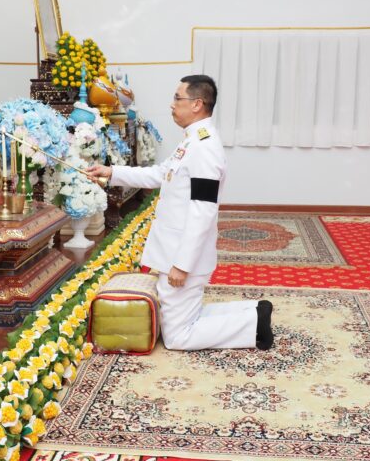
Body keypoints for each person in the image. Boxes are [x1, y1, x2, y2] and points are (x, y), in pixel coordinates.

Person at [87, 74, 274, 351]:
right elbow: (159, 174)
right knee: (181, 318)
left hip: (184, 255)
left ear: (197, 104)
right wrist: (112, 172)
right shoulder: (191, 141)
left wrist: (182, 264)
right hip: (174, 248)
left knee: (177, 337)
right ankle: (255, 311)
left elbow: (203, 210)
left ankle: (254, 326)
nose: (172, 104)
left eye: (177, 98)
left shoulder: (204, 148)